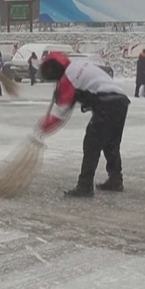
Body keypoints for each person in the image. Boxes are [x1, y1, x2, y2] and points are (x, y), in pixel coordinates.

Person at [37, 51, 131, 197]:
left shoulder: (67, 79)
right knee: (111, 144)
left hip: (105, 102)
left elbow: (60, 113)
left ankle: (85, 185)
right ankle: (115, 179)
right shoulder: (77, 65)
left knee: (91, 144)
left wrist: (43, 127)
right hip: (120, 101)